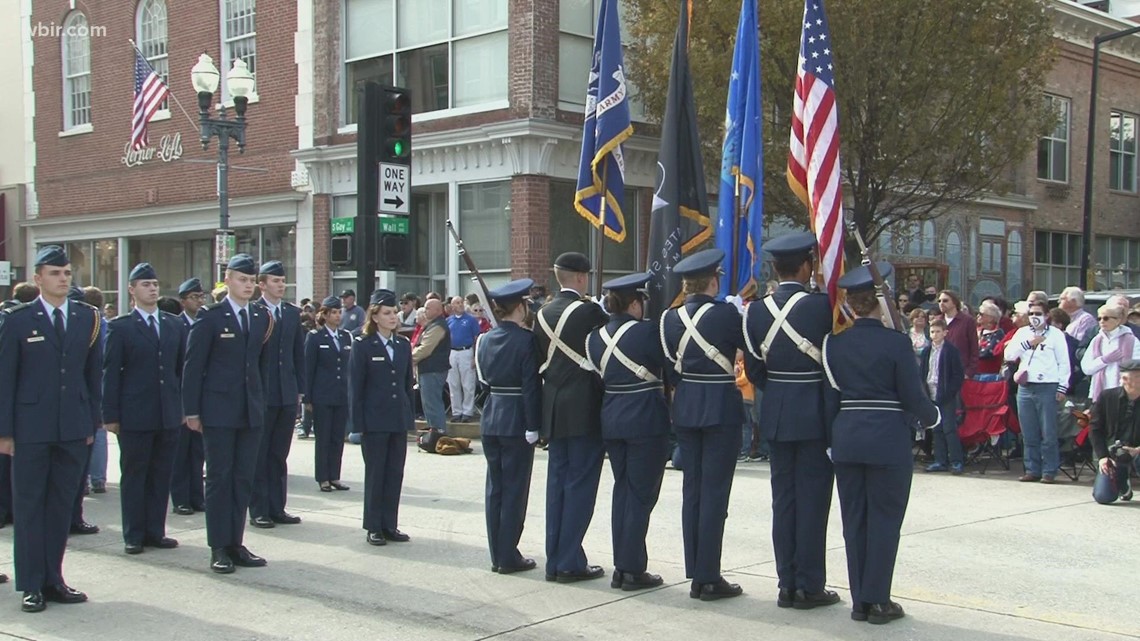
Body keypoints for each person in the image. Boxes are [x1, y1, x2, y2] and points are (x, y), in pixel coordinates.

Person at [821, 262, 941, 625]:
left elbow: (831, 399)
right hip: (887, 438)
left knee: (854, 519)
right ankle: (878, 601)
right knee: (885, 520)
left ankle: (860, 600)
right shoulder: (896, 342)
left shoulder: (834, 344)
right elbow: (912, 396)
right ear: (877, 300)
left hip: (847, 437)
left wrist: (832, 439)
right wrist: (934, 416)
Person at [0, 245, 102, 612]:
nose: (63, 278)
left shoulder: (85, 317)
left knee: (60, 506)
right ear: (38, 278)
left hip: (71, 426)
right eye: (55, 273)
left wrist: (91, 422)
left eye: (67, 273)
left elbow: (93, 375)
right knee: (29, 507)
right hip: (30, 428)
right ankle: (31, 583)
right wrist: (5, 432)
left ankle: (53, 579)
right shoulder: (17, 320)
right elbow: (5, 379)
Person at [741, 232, 837, 609]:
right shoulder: (822, 306)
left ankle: (786, 583)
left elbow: (754, 369)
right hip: (814, 411)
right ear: (806, 266)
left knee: (784, 502)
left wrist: (779, 390)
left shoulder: (756, 310)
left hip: (777, 410)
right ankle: (809, 586)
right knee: (812, 501)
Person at [661, 248, 747, 601]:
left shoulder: (669, 318)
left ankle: (696, 567)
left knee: (693, 490)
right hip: (719, 407)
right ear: (713, 281)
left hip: (686, 406)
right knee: (714, 493)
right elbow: (749, 352)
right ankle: (709, 576)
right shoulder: (726, 314)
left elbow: (670, 371)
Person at [182, 254, 272, 574]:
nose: (247, 286)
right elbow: (194, 367)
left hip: (250, 409)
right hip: (218, 409)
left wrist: (262, 402)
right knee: (220, 478)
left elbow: (260, 365)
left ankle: (236, 542)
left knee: (243, 477)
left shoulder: (260, 316)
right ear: (228, 281)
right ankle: (218, 545)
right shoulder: (211, 317)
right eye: (242, 280)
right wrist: (191, 410)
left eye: (251, 281)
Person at [586, 273, 670, 591]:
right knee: (640, 495)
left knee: (623, 492)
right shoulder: (648, 332)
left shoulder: (595, 337)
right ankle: (631, 568)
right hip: (645, 419)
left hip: (612, 418)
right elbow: (668, 368)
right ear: (634, 303)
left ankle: (624, 566)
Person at [535, 252, 609, 583]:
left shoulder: (542, 313)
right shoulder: (591, 311)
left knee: (557, 487)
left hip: (553, 407)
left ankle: (555, 558)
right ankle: (569, 561)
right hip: (583, 407)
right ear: (580, 278)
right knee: (580, 486)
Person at [102, 263, 184, 555]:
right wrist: (110, 415)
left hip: (167, 412)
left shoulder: (174, 324)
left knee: (161, 473)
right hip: (135, 413)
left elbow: (179, 370)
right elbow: (111, 373)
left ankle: (155, 530)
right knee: (136, 474)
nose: (152, 289)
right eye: (145, 284)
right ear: (132, 289)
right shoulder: (121, 327)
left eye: (155, 284)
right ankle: (134, 534)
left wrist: (182, 407)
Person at [474, 279, 541, 574]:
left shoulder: (485, 339)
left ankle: (496, 553)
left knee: (495, 488)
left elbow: (485, 381)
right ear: (521, 307)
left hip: (491, 416)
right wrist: (533, 424)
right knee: (515, 489)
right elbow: (530, 387)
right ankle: (508, 555)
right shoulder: (527, 341)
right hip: (516, 418)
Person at [351, 289, 414, 546]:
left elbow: (406, 384)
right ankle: (373, 525)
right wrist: (357, 424)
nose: (393, 317)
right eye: (386, 313)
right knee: (376, 474)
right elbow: (356, 387)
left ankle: (390, 524)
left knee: (394, 473)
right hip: (374, 420)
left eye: (394, 313)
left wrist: (408, 417)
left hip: (396, 418)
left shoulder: (402, 345)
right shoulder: (363, 345)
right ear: (374, 316)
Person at [249, 261, 306, 530]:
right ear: (262, 284)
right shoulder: (254, 312)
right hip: (262, 392)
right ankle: (259, 508)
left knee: (279, 454)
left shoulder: (291, 314)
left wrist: (299, 390)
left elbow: (297, 354)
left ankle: (277, 506)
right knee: (259, 454)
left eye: (283, 280)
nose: (281, 285)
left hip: (286, 392)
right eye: (275, 281)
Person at [1004, 300, 1071, 484]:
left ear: (1047, 315)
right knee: (1028, 431)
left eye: (1038, 314)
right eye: (1031, 314)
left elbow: (1064, 362)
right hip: (1026, 386)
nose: (1034, 317)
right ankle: (1032, 469)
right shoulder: (1022, 333)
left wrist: (1062, 387)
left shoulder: (1056, 335)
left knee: (1048, 431)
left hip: (1047, 386)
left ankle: (1049, 470)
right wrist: (1028, 343)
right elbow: (1009, 355)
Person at [304, 296, 352, 493]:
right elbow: (309, 368)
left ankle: (335, 475)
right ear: (324, 315)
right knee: (323, 437)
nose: (337, 316)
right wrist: (307, 398)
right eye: (333, 312)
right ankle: (323, 477)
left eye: (339, 312)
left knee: (337, 437)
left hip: (341, 394)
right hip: (322, 394)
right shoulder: (315, 337)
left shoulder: (345, 336)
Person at [171, 278, 207, 515]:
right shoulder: (175, 325)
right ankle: (181, 498)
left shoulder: (205, 321)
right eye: (194, 297)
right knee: (180, 452)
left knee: (198, 451)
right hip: (182, 398)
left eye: (201, 296)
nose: (199, 301)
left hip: (203, 397)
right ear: (183, 301)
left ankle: (197, 496)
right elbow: (176, 366)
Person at [1090, 360, 1140, 504]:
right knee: (1103, 497)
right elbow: (1095, 429)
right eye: (1137, 376)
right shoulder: (1107, 397)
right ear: (1124, 379)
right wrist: (1103, 457)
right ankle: (1123, 482)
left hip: (1138, 450)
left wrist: (1137, 450)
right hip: (1114, 452)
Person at [919, 319, 965, 474]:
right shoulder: (926, 351)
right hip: (930, 391)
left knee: (949, 428)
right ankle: (940, 460)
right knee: (936, 428)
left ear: (945, 333)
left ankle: (957, 461)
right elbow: (922, 372)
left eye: (938, 331)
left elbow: (958, 375)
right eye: (932, 331)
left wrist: (949, 391)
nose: (935, 334)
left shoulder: (951, 350)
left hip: (945, 392)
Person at [1082, 304, 1140, 402]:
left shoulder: (1131, 340)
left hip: (1123, 392)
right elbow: (1086, 368)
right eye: (1099, 318)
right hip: (1099, 392)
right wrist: (1104, 360)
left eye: (1106, 318)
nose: (1102, 322)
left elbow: (1137, 366)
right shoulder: (1096, 340)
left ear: (1118, 320)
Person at [412, 298, 451, 434]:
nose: (425, 310)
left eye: (428, 308)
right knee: (428, 404)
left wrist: (407, 359)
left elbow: (425, 348)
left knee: (433, 404)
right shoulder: (432, 325)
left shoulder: (438, 326)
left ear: (437, 310)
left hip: (433, 370)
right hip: (427, 370)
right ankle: (433, 433)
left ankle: (438, 434)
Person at [447, 295, 482, 423]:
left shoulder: (471, 320)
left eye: (461, 302)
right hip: (452, 352)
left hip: (466, 351)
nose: (460, 305)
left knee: (467, 383)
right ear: (452, 306)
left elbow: (476, 338)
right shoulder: (448, 321)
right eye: (457, 303)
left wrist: (474, 356)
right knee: (453, 383)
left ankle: (468, 411)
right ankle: (456, 411)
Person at [936, 290, 978, 377]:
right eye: (939, 301)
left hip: (960, 371)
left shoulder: (967, 321)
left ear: (954, 302)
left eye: (945, 300)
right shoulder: (938, 321)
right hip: (939, 371)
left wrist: (969, 372)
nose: (941, 303)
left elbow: (974, 348)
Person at [976, 301, 1006, 377]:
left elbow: (988, 352)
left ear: (990, 318)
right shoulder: (976, 331)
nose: (978, 316)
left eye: (981, 314)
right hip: (974, 373)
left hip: (989, 375)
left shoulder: (998, 334)